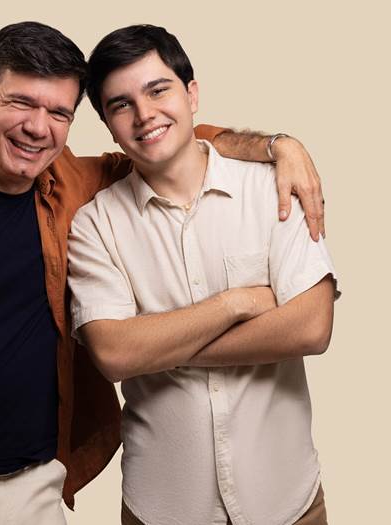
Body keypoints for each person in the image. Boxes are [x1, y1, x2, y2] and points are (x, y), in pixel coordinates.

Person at [0, 21, 325, 525]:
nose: (39, 127)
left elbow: (167, 142)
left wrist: (279, 145)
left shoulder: (77, 183)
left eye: (58, 112)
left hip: (37, 485)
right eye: (21, 103)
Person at [68, 24, 338, 525]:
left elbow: (312, 327)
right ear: (108, 125)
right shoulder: (94, 225)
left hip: (288, 502)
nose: (144, 114)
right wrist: (236, 303)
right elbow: (114, 354)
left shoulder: (273, 188)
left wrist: (161, 350)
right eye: (121, 104)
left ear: (192, 95)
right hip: (162, 508)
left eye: (158, 90)